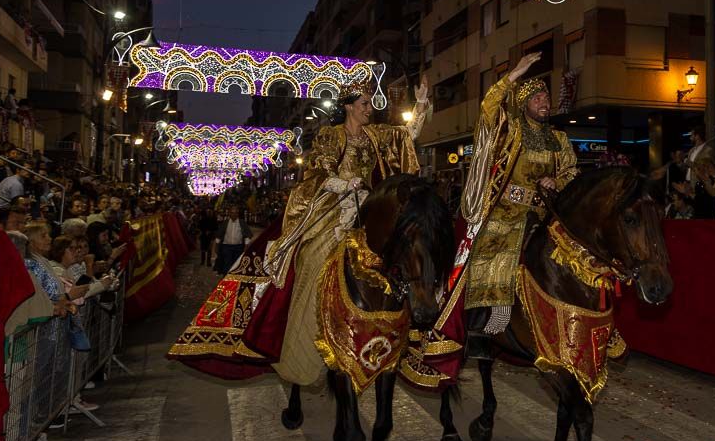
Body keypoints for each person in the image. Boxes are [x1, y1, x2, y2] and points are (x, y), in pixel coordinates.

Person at [247, 75, 431, 387]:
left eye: (370, 103)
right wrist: (345, 184)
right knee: (312, 258)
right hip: (335, 205)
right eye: (363, 104)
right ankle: (303, 334)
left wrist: (422, 103)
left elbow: (407, 134)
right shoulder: (330, 136)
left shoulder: (374, 134)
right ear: (348, 107)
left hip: (368, 205)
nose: (369, 109)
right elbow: (320, 171)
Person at [460, 52, 578, 353]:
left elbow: (570, 171)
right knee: (490, 246)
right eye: (537, 97)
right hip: (507, 211)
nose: (544, 102)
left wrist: (558, 182)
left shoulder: (559, 138)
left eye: (546, 97)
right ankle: (491, 315)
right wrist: (514, 74)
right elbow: (488, 108)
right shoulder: (510, 131)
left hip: (545, 211)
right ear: (524, 104)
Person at [213, 204, 252, 274]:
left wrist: (246, 246)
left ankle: (234, 281)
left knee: (236, 265)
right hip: (226, 247)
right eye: (232, 213)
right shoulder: (225, 223)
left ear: (238, 214)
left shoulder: (242, 223)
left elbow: (247, 235)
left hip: (238, 247)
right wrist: (216, 246)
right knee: (227, 265)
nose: (234, 214)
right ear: (229, 213)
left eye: (236, 213)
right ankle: (226, 280)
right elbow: (219, 235)